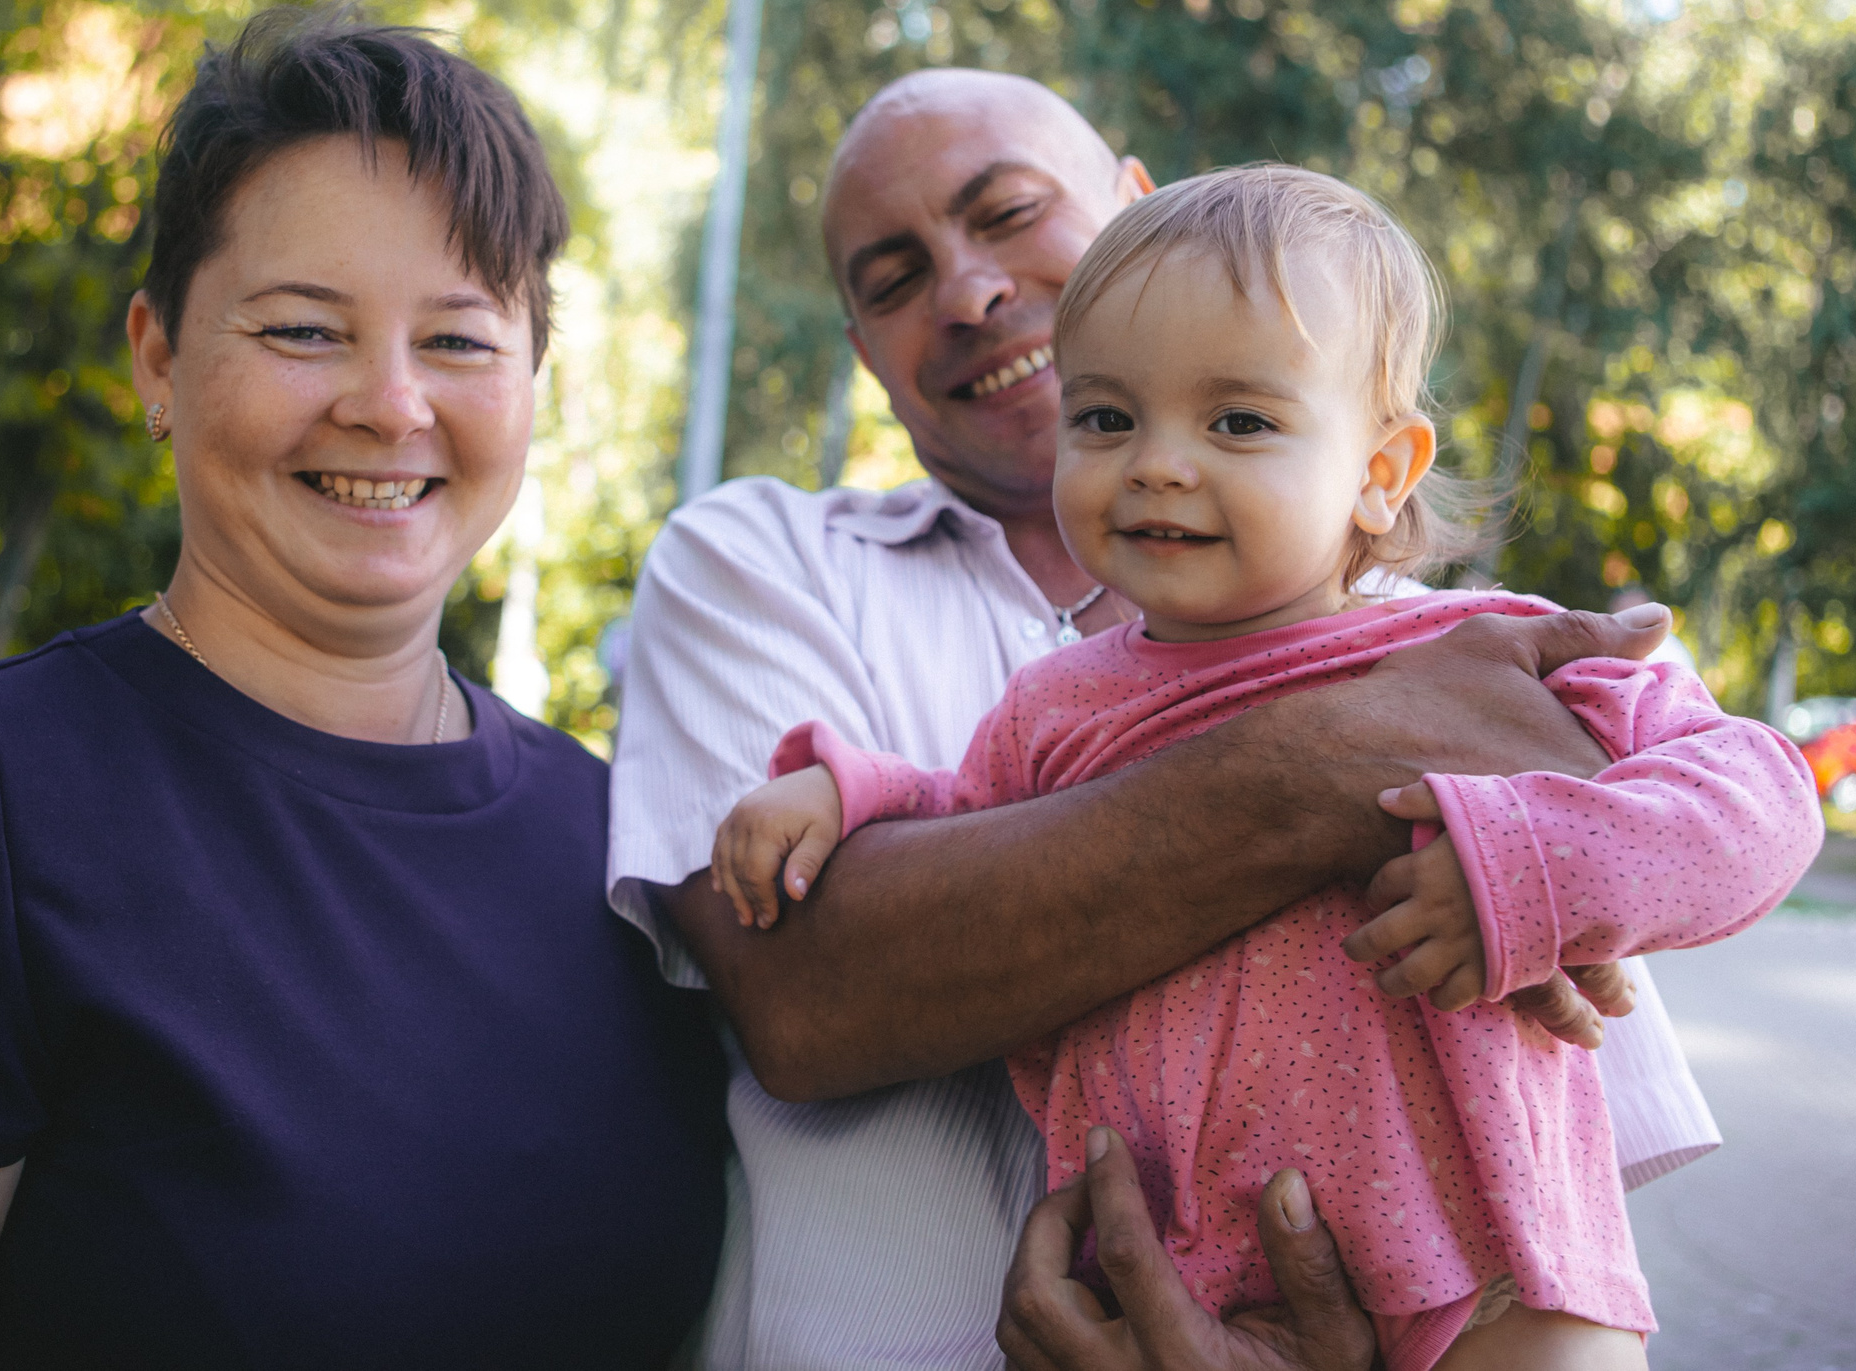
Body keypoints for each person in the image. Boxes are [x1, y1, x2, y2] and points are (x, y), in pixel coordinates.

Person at [607, 69, 1721, 1370]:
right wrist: (1343, 765)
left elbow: (1626, 956)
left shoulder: (1439, 638)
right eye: (894, 279)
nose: (965, 293)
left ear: (1140, 205)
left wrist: (1547, 869)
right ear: (864, 354)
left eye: (1009, 212)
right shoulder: (759, 560)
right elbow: (809, 987)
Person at [0, 7, 728, 1369]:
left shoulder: (620, 848)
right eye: (304, 329)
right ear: (159, 358)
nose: (389, 403)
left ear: (534, 380)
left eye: (460, 341)